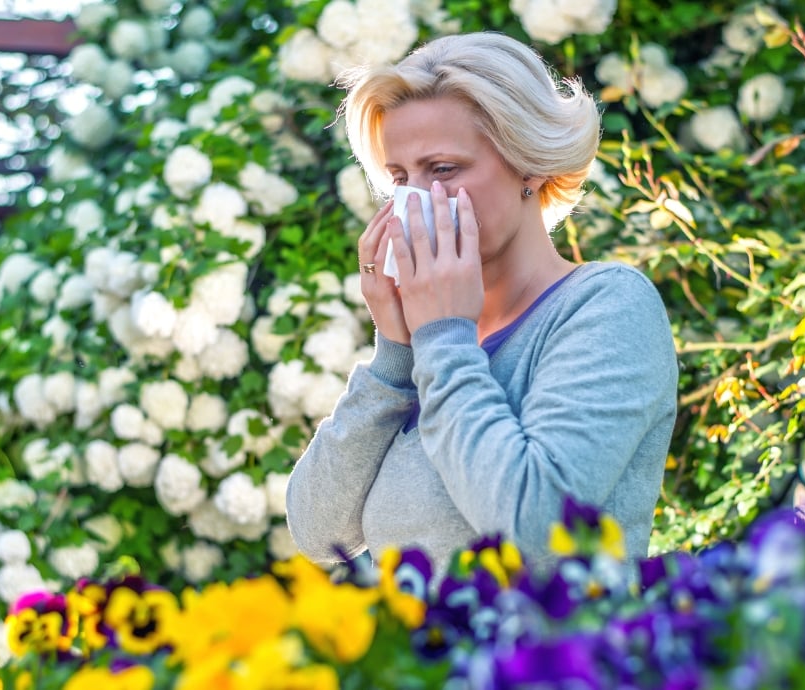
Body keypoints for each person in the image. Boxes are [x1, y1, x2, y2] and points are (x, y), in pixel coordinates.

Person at [285, 32, 678, 574]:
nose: (416, 201)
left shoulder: (607, 306)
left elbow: (536, 528)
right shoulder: (430, 346)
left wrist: (443, 337)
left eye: (443, 169)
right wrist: (396, 355)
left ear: (529, 164)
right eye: (400, 178)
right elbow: (318, 532)